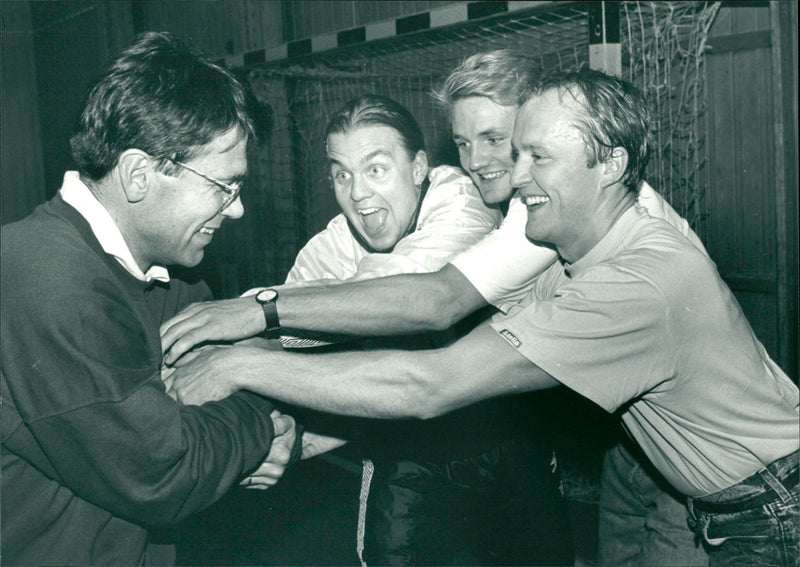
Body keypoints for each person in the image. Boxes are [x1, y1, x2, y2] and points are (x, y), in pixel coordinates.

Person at [166, 68, 800, 567]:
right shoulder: (571, 244)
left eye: (537, 157)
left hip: (771, 507)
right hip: (719, 490)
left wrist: (249, 340)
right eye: (504, 150)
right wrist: (299, 440)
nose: (505, 175)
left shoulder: (637, 282)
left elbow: (432, 378)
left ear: (611, 165)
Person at [0, 31, 298, 566]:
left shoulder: (172, 279)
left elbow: (239, 371)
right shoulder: (43, 275)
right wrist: (261, 431)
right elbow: (163, 471)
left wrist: (243, 382)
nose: (237, 211)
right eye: (224, 186)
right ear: (141, 174)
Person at [248, 93, 574, 566]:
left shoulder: (461, 202)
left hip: (507, 434)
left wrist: (261, 316)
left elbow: (412, 298)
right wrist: (273, 427)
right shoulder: (334, 243)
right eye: (342, 174)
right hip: (408, 450)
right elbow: (292, 329)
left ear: (419, 167)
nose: (358, 193)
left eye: (376, 169)